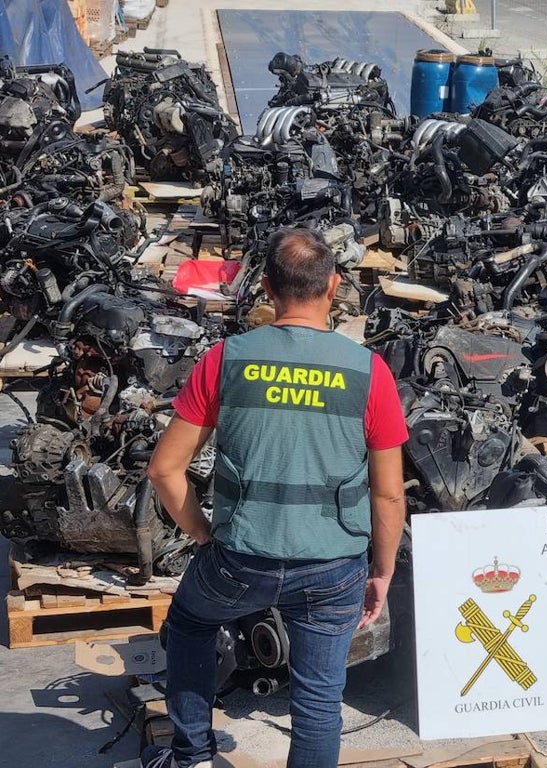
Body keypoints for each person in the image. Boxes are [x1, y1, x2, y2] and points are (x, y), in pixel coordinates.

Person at [142, 227, 409, 768]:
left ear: (266, 287)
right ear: (334, 287)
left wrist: (203, 534)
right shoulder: (369, 372)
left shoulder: (225, 359)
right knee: (317, 700)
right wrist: (380, 573)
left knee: (192, 623)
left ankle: (191, 754)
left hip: (240, 557)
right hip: (334, 567)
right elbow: (387, 496)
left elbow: (165, 470)